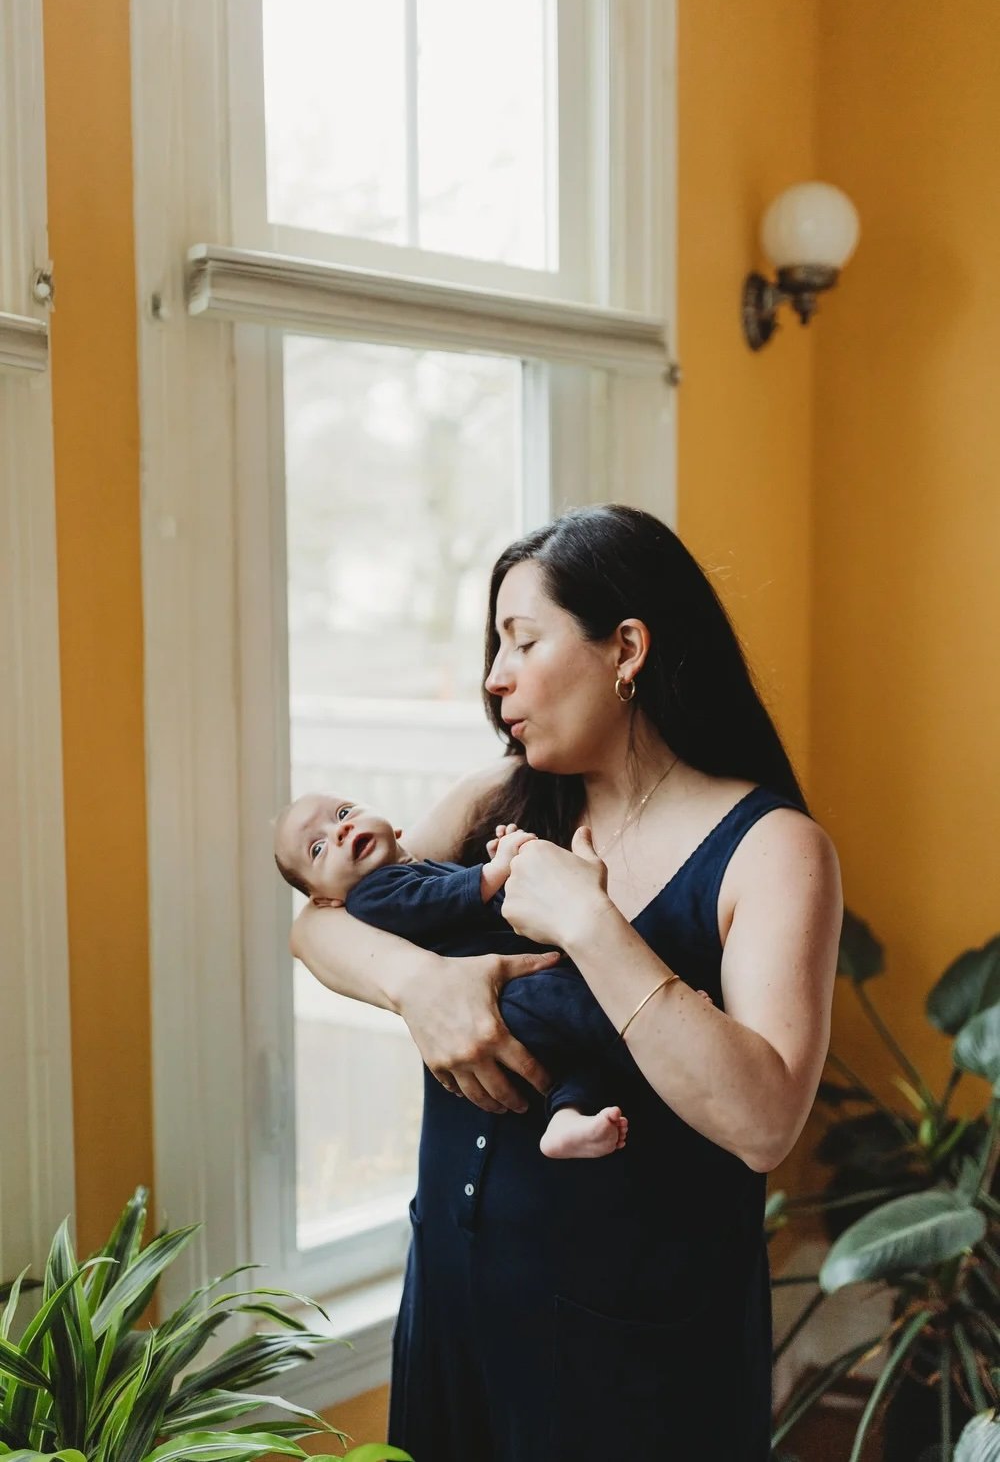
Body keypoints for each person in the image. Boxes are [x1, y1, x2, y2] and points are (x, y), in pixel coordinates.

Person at [290, 503, 843, 1462]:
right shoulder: (491, 800)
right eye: (493, 647)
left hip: (635, 1358)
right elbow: (318, 923)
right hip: (455, 1309)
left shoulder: (775, 851)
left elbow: (764, 1121)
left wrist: (589, 922)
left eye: (523, 640)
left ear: (626, 647)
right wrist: (423, 986)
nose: (494, 677)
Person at [274, 794, 636, 1159]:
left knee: (580, 1062)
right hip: (506, 999)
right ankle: (642, 1019)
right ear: (324, 900)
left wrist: (506, 869)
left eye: (343, 813)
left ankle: (565, 1117)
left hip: (517, 996)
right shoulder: (371, 895)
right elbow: (434, 900)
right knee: (582, 1007)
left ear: (395, 828)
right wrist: (494, 871)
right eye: (318, 848)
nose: (341, 830)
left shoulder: (426, 868)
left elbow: (484, 908)